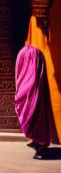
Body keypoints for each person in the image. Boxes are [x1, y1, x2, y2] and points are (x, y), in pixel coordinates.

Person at [15, 19, 59, 159]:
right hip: (37, 92)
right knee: (37, 118)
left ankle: (38, 144)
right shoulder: (36, 53)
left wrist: (22, 90)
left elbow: (23, 75)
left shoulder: (27, 54)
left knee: (32, 116)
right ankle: (38, 142)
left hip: (31, 91)